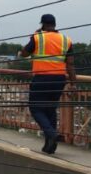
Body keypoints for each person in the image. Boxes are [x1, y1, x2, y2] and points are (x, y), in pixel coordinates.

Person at [18, 13, 76, 154]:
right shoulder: (65, 40)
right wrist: (73, 83)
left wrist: (33, 36)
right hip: (59, 79)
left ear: (42, 24)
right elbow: (70, 64)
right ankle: (50, 146)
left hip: (42, 78)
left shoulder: (38, 37)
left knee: (35, 108)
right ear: (55, 25)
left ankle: (51, 133)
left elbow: (25, 53)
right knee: (50, 109)